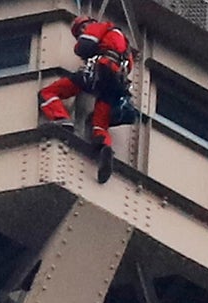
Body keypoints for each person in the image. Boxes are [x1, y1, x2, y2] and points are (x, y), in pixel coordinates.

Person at [38, 15, 135, 183]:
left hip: (99, 72)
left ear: (87, 25)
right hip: (116, 82)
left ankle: (61, 118)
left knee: (48, 93)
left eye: (80, 30)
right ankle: (104, 146)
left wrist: (82, 43)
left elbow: (84, 47)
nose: (81, 33)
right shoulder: (125, 45)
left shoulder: (99, 27)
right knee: (99, 123)